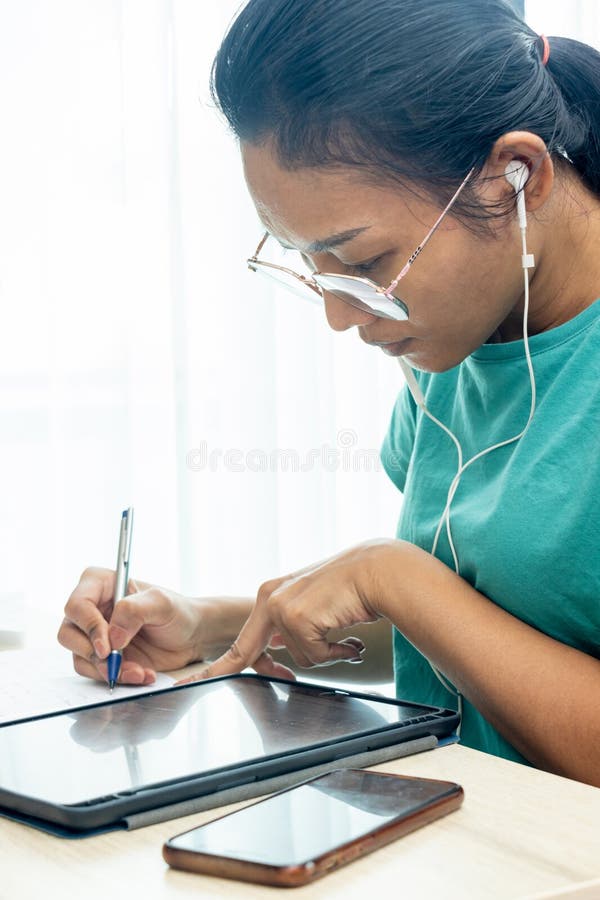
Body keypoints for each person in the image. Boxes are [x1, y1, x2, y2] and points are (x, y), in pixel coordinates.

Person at [58, 0, 600, 787]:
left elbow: (427, 602)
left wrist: (394, 575)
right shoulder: (456, 343)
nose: (342, 317)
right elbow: (468, 644)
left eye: (366, 261)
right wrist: (218, 629)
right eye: (312, 267)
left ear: (516, 174)